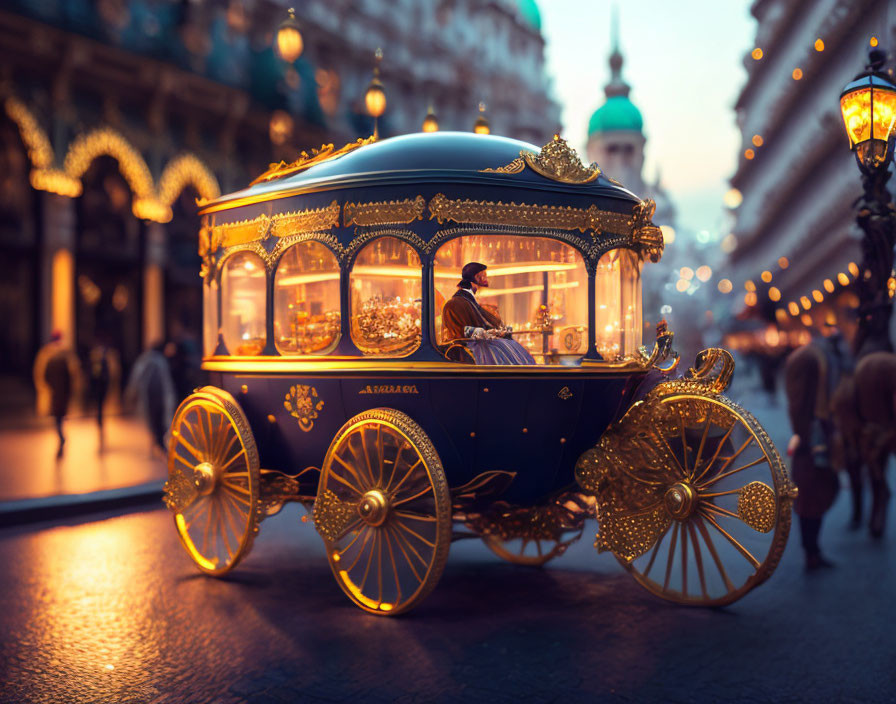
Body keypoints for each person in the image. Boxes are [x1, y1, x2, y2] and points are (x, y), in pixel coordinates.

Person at [784, 326, 850, 570]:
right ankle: (811, 551)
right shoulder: (812, 360)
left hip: (812, 436)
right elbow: (805, 404)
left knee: (814, 492)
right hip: (813, 439)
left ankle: (813, 550)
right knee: (812, 493)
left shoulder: (810, 357)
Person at [441, 262, 535, 365]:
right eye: (484, 276)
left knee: (509, 345)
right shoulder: (456, 304)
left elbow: (485, 324)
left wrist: (497, 332)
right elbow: (462, 331)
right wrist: (489, 333)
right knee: (504, 348)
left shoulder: (469, 300)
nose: (487, 279)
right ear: (476, 277)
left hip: (482, 341)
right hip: (473, 346)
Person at [126, 343, 177, 456]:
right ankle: (159, 444)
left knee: (153, 420)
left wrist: (131, 393)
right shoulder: (160, 360)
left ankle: (156, 443)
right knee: (159, 420)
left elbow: (136, 377)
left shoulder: (145, 359)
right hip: (158, 396)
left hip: (150, 396)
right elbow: (166, 380)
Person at [43, 331, 72, 459]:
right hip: (62, 394)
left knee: (57, 418)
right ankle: (61, 436)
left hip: (56, 394)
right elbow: (70, 377)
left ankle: (61, 437)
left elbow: (45, 376)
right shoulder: (64, 359)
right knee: (59, 417)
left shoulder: (49, 358)